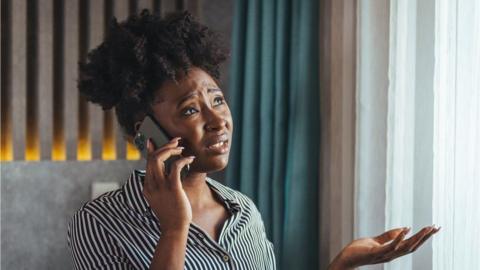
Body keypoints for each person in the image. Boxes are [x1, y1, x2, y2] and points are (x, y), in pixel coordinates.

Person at [67, 10, 440, 270]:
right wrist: (175, 230)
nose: (219, 121)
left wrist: (342, 264)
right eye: (191, 110)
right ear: (144, 130)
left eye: (217, 100)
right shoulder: (100, 223)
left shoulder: (243, 213)